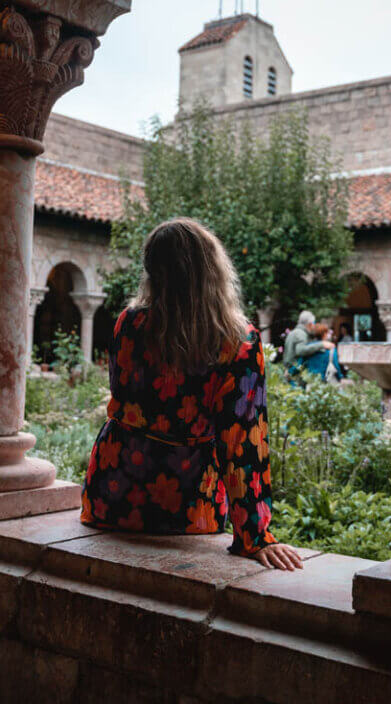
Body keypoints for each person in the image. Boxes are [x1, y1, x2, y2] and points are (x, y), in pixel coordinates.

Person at [81, 217, 302, 571]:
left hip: (112, 495)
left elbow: (122, 397)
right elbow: (243, 441)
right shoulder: (238, 342)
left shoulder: (129, 323)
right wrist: (255, 535)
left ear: (153, 270)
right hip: (188, 506)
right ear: (212, 271)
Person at [283, 310, 332, 381]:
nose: (313, 326)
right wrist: (322, 344)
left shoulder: (294, 332)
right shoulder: (301, 334)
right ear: (310, 324)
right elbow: (301, 350)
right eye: (313, 324)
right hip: (294, 372)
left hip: (289, 370)